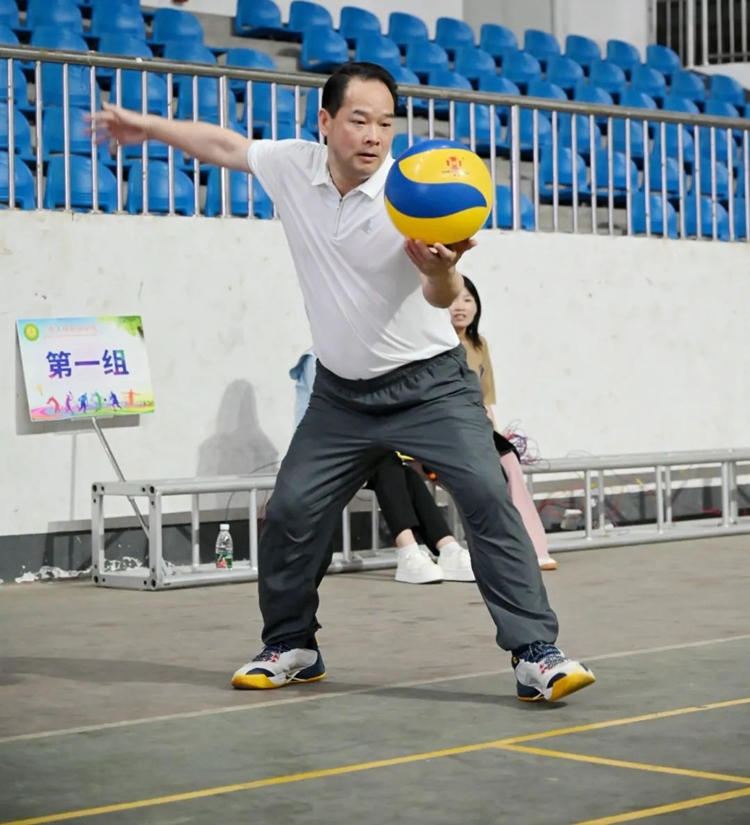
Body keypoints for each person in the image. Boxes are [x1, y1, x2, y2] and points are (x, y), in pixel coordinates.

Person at [92, 61, 595, 704]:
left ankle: (535, 654)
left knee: (487, 498)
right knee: (291, 512)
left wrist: (441, 269)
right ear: (326, 122)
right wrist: (146, 126)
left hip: (431, 388)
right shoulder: (293, 167)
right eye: (360, 120)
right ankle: (292, 645)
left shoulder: (409, 195)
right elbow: (223, 145)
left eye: (386, 123)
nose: (374, 135)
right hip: (341, 395)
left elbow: (443, 295)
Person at [291, 350, 474, 584]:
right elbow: (329, 417)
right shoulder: (322, 359)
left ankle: (446, 547)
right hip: (325, 453)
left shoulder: (365, 356)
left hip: (362, 448)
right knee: (383, 459)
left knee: (402, 470)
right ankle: (408, 549)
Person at [449, 277, 558, 572]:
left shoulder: (478, 344)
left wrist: (495, 435)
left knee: (509, 461)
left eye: (468, 299)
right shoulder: (437, 344)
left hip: (477, 427)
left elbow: (485, 400)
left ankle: (534, 547)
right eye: (454, 299)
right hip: (448, 429)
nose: (460, 306)